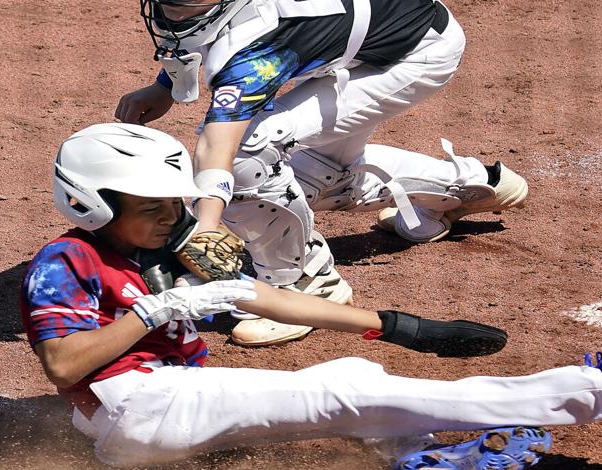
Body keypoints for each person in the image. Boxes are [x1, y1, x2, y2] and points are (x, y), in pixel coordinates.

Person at [25, 123, 602, 470]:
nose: (171, 215)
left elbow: (269, 300)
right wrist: (155, 312)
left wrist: (398, 328)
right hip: (137, 406)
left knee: (353, 379)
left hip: (165, 415)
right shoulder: (68, 262)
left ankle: (422, 463)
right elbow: (62, 364)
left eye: (174, 201)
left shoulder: (170, 253)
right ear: (93, 205)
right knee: (337, 400)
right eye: (151, 207)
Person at [115, 0, 528, 347]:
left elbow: (218, 146)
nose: (171, 7)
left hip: (412, 53)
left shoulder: (264, 42)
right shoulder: (232, 11)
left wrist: (206, 222)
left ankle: (304, 285)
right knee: (317, 178)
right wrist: (166, 86)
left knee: (248, 156)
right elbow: (203, 32)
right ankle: (469, 187)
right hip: (359, 36)